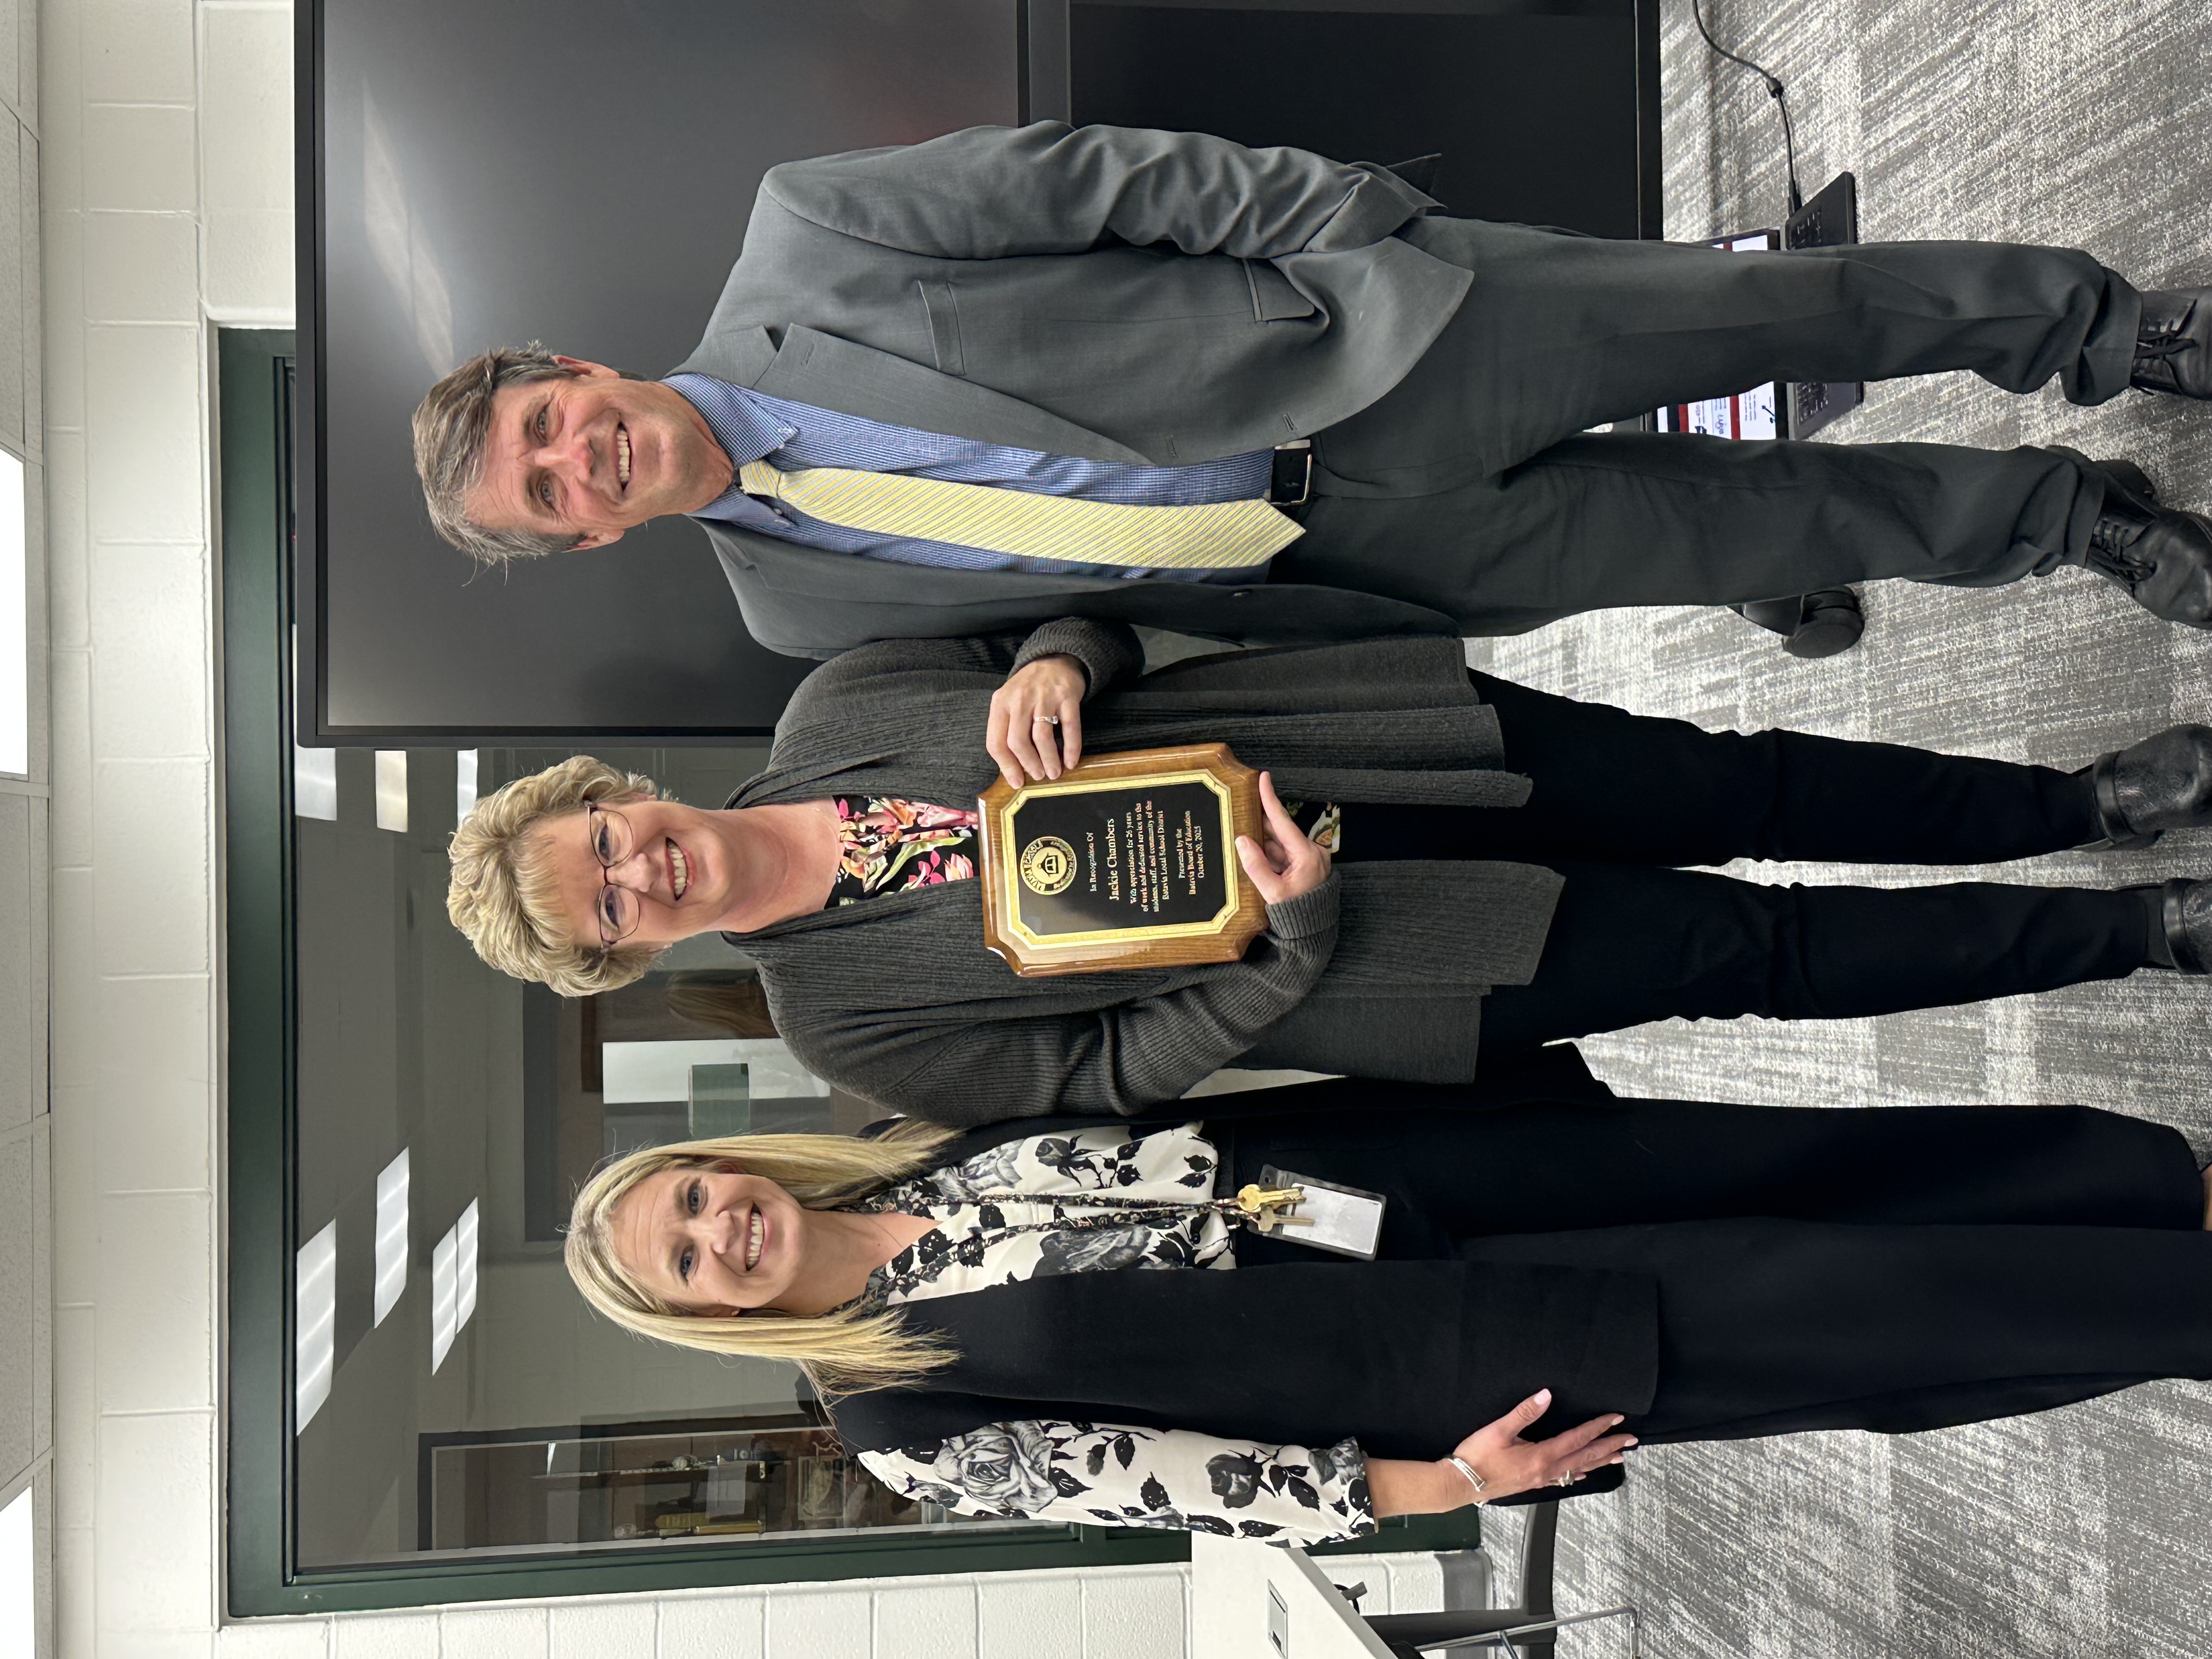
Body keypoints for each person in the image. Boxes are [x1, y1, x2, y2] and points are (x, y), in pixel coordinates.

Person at [410, 122, 2212, 659]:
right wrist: (1051, 669)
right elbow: (1062, 629)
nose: (580, 461)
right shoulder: (790, 613)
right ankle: (2075, 525)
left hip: (1380, 340)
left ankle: (2101, 337)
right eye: (548, 496)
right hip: (1351, 561)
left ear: (574, 369)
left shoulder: (798, 231)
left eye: (548, 426)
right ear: (581, 541)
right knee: (1765, 524)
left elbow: (1095, 179)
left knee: (1785, 315)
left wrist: (1351, 224)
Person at [449, 618, 2212, 1124]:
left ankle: (2076, 803)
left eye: (599, 843)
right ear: (620, 957)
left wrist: (1061, 663)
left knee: (1733, 780)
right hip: (1394, 955)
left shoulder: (838, 698)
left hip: (1373, 740)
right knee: (1753, 948)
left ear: (612, 798)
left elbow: (1061, 612)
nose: (634, 874)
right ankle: (2133, 931)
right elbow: (1106, 1076)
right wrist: (1283, 950)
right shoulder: (845, 1032)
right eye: (604, 910)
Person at [560, 1054, 2212, 1544]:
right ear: (708, 1317)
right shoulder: (906, 1423)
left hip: (1400, 1203)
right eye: (689, 1262)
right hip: (1447, 1353)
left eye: (695, 1196)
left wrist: (1395, 1186)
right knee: (1857, 1307)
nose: (724, 1231)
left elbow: (1185, 1174)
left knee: (1799, 1174)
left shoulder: (921, 1156)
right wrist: (1446, 1485)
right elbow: (1183, 1489)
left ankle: (2145, 1189)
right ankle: (2173, 1298)